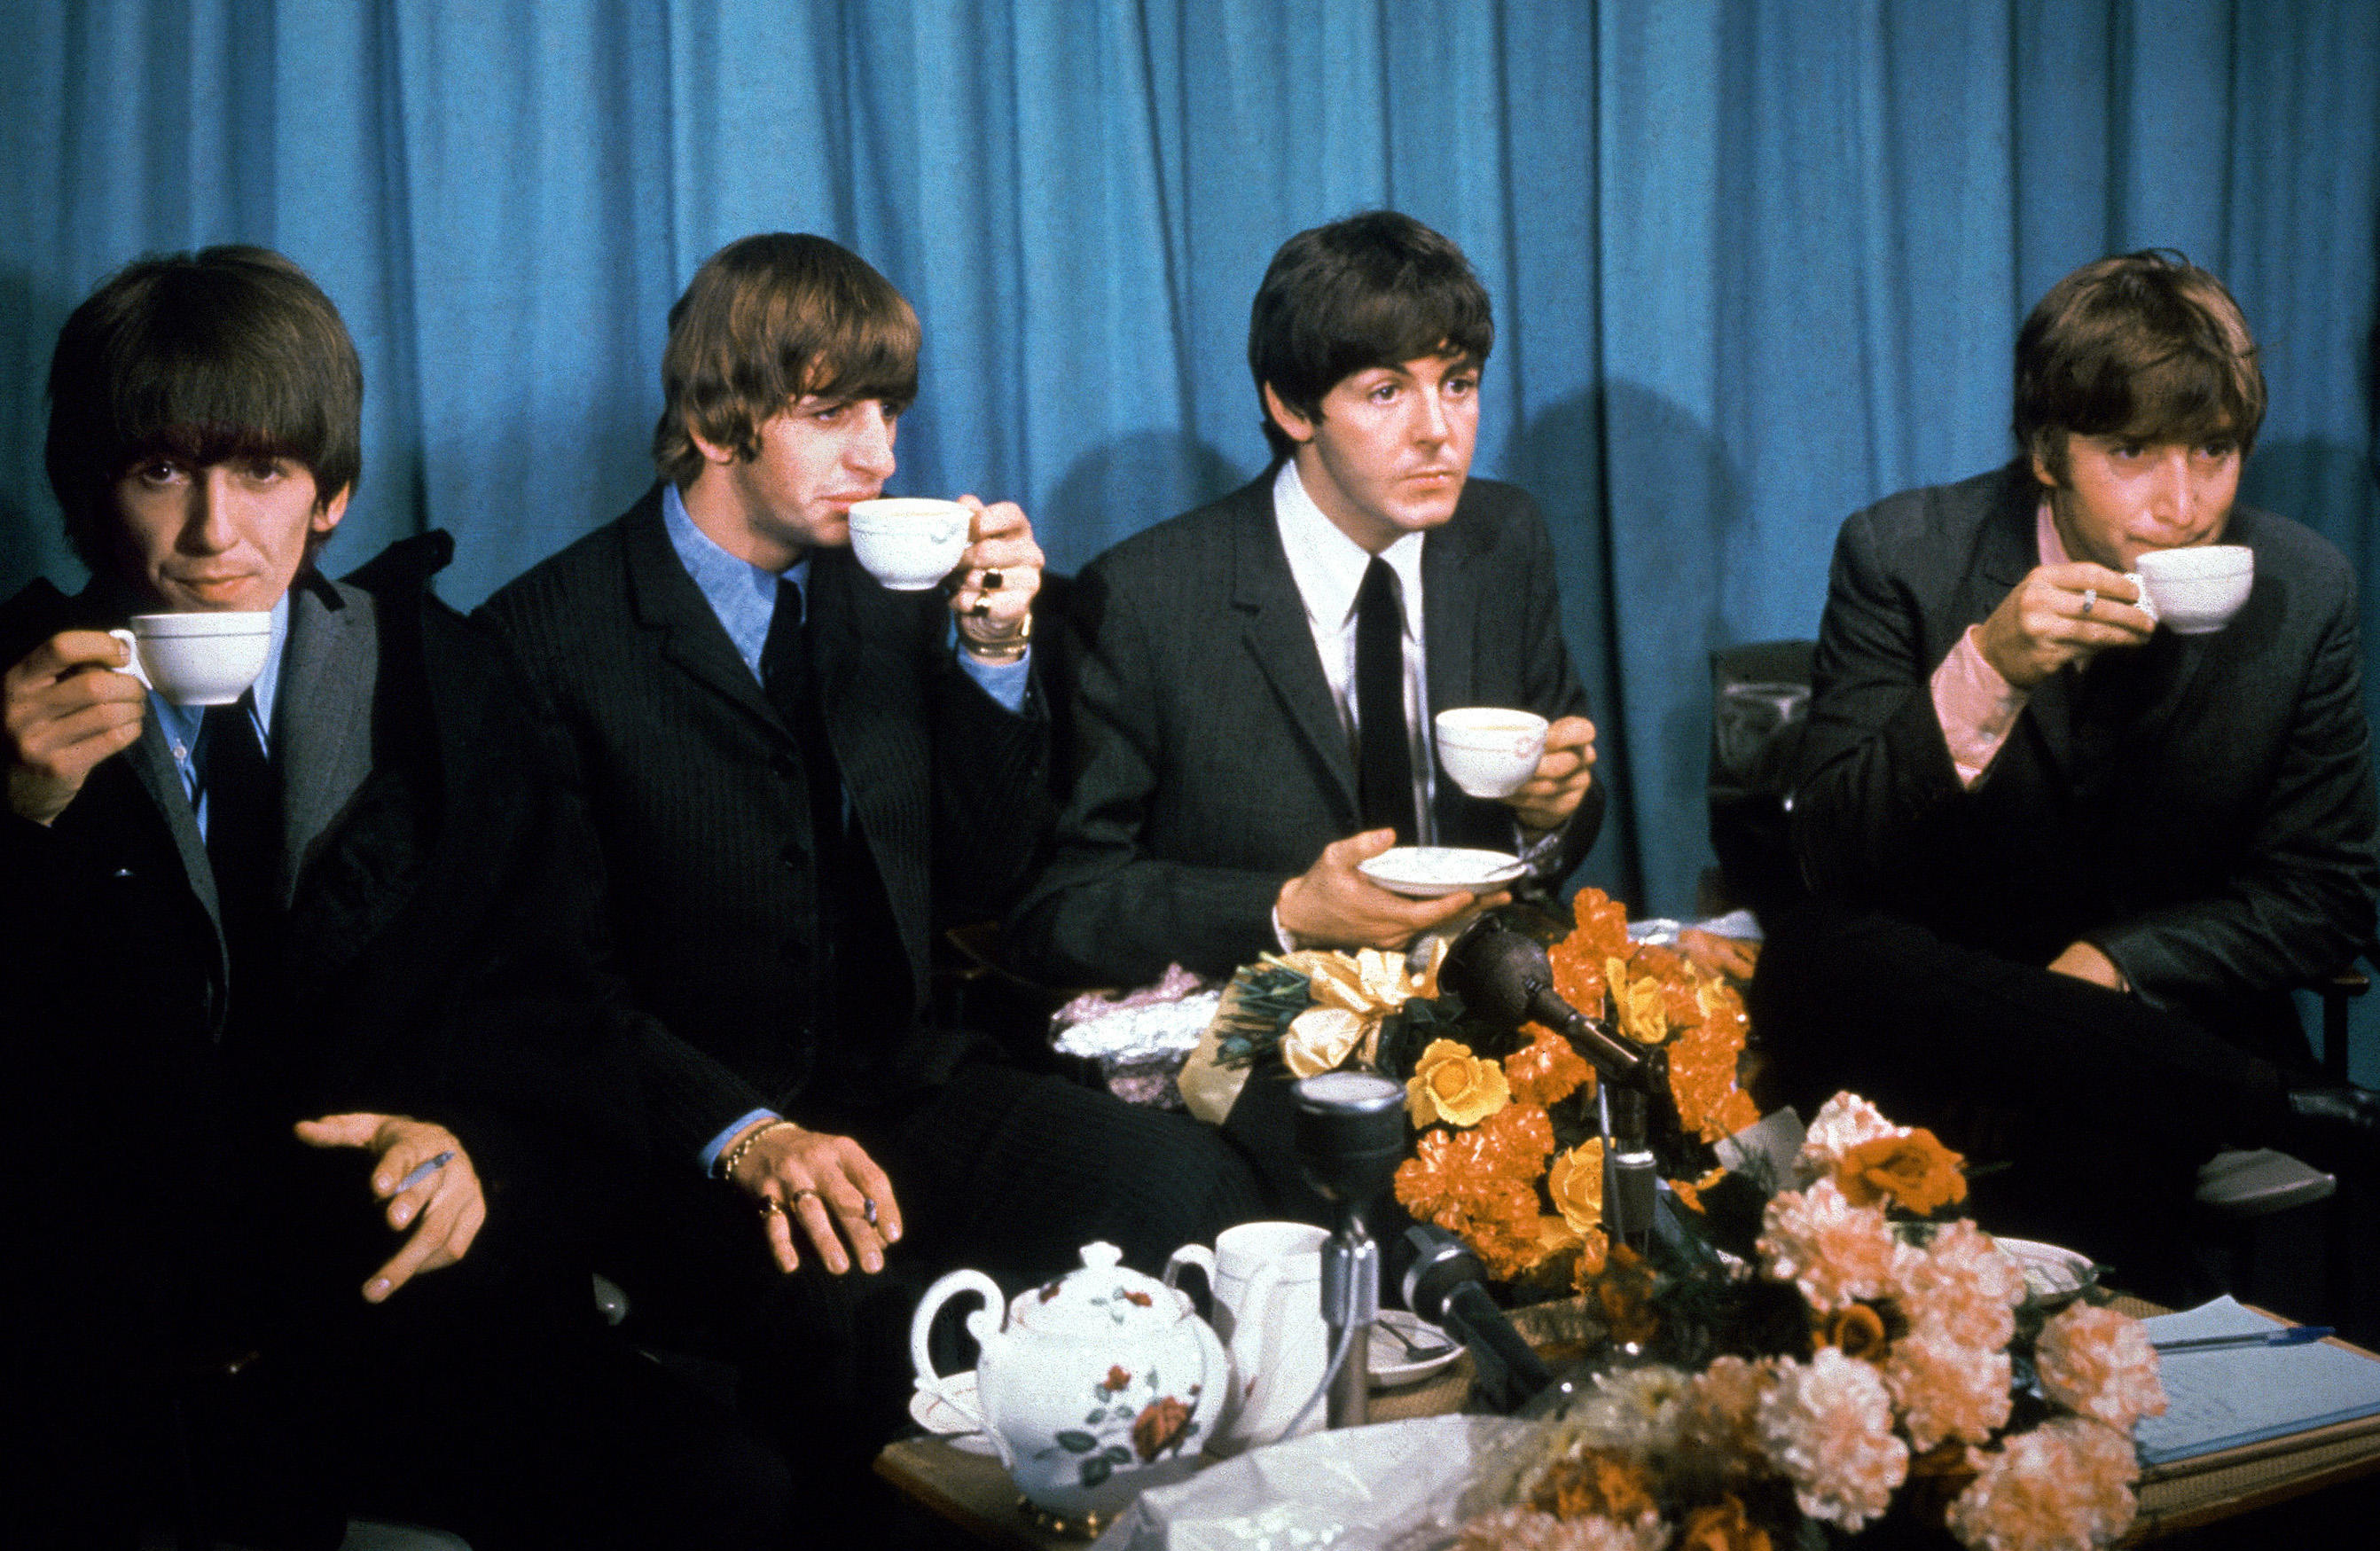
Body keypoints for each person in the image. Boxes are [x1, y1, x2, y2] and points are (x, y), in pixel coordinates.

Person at [0, 247, 792, 1551]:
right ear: (87, 497)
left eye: (260, 475)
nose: (211, 534)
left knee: (722, 1499)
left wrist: (483, 1148)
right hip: (130, 1340)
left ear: (334, 493)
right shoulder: (13, 708)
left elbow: (561, 999)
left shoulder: (441, 678)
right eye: (159, 473)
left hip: (416, 1306)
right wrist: (19, 830)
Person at [476, 233, 1266, 1455]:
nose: (881, 454)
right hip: (690, 1137)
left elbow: (993, 884)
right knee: (865, 1332)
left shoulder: (883, 598)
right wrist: (749, 1136)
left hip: (901, 1083)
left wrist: (996, 656)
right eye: (831, 411)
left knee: (1187, 1193)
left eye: (889, 411)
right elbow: (548, 984)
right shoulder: (541, 639)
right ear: (716, 420)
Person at [1750, 249, 2380, 1289]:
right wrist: (1984, 670)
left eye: (2213, 451)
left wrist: (2111, 965)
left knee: (2099, 1129)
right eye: (2131, 451)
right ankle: (2295, 1111)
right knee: (1812, 951)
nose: (2182, 503)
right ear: (2047, 450)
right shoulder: (1900, 554)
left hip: (2155, 1028)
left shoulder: (2303, 591)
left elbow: (2324, 892)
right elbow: (1825, 853)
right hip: (1941, 1026)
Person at [1005, 209, 1602, 993]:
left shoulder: (1503, 538)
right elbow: (1065, 909)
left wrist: (1547, 815)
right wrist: (1286, 909)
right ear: (1292, 409)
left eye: (1457, 385)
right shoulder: (1146, 597)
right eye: (1387, 392)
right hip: (1258, 1038)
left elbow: (1556, 826)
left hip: (1475, 1002)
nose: (1439, 432)